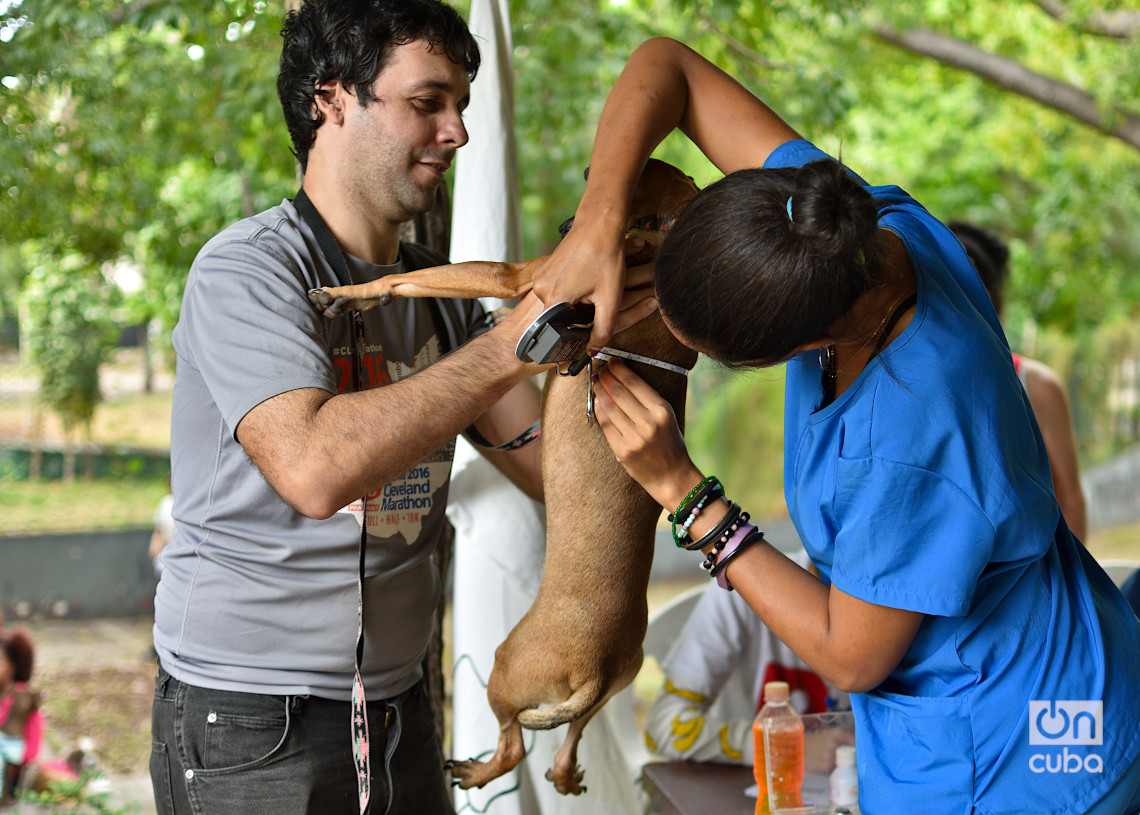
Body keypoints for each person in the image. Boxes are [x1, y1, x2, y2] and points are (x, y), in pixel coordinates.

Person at [533, 37, 1140, 814]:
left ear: (805, 345)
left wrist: (684, 493)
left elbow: (849, 656)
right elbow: (669, 68)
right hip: (1069, 663)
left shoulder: (909, 435)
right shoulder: (843, 229)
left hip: (1016, 751)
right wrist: (598, 222)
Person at [150, 3, 657, 814]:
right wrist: (514, 340)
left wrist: (624, 346)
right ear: (333, 98)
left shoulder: (444, 299)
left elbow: (548, 470)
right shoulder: (246, 271)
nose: (455, 132)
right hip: (250, 721)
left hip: (398, 709)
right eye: (428, 102)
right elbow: (315, 470)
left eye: (460, 105)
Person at [644, 552, 853, 773]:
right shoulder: (740, 588)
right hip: (742, 788)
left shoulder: (886, 604)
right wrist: (783, 747)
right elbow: (663, 726)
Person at [949, 221, 1088, 540]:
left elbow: (1071, 502)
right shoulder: (905, 385)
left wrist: (1074, 587)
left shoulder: (1035, 385)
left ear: (993, 302)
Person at [0, 628, 44, 806]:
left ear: (13, 665)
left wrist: (29, 755)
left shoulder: (19, 694)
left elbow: (35, 725)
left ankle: (7, 795)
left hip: (13, 750)